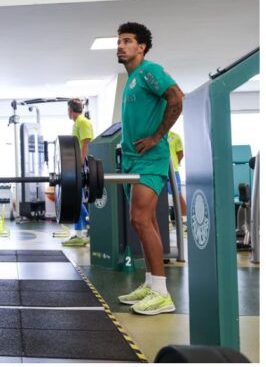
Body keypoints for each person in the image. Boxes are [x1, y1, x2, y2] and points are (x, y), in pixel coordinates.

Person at [114, 22, 184, 315]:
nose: (120, 46)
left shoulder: (149, 71)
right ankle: (151, 282)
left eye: (127, 41)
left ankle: (162, 294)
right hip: (132, 159)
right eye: (119, 41)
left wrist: (157, 137)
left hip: (150, 159)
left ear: (141, 47)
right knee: (145, 222)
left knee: (141, 219)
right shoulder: (132, 78)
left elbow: (176, 97)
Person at [62, 98, 93, 247]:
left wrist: (80, 166)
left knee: (77, 200)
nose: (67, 112)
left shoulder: (83, 122)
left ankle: (87, 229)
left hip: (82, 166)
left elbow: (85, 143)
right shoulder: (76, 124)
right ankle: (82, 232)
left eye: (68, 110)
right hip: (76, 166)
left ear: (71, 110)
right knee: (77, 200)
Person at [167, 130, 186, 216]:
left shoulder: (175, 136)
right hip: (158, 170)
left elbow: (180, 154)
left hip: (173, 171)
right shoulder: (153, 134)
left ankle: (184, 218)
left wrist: (175, 163)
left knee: (177, 194)